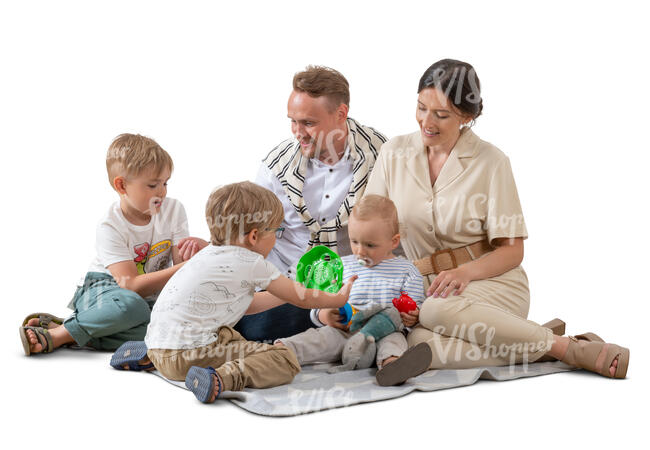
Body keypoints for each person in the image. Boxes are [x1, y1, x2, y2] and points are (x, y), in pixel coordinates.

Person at [365, 59, 629, 386]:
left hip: (495, 285)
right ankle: (537, 342)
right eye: (421, 108)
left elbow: (512, 251)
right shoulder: (394, 154)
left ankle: (568, 349)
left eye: (441, 115)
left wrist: (464, 273)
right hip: (424, 291)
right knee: (417, 341)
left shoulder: (491, 162)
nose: (426, 122)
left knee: (434, 311)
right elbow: (369, 225)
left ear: (468, 116)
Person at [132, 181, 356, 403]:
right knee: (282, 358)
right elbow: (305, 297)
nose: (276, 239)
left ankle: (148, 358)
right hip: (188, 354)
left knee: (227, 335)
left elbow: (246, 305)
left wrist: (285, 292)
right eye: (276, 231)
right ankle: (221, 378)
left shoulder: (208, 253)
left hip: (158, 344)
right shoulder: (251, 262)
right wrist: (339, 297)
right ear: (254, 237)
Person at [233, 65, 388, 342]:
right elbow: (248, 235)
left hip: (349, 279)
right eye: (293, 121)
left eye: (308, 123)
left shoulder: (382, 157)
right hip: (286, 279)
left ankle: (327, 318)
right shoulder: (276, 166)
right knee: (249, 319)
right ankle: (318, 318)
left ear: (341, 114)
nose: (297, 132)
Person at [19, 133, 201, 355]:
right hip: (104, 289)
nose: (162, 191)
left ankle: (73, 329)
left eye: (165, 183)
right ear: (122, 185)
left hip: (146, 299)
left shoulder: (174, 210)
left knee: (168, 330)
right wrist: (184, 269)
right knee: (134, 306)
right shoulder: (110, 225)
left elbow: (179, 273)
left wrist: (191, 255)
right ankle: (59, 336)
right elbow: (131, 285)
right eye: (153, 185)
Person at [276, 195, 425, 371]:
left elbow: (416, 310)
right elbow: (321, 300)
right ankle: (279, 352)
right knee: (320, 338)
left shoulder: (407, 270)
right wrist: (324, 315)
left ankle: (391, 366)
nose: (360, 251)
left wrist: (413, 318)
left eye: (370, 245)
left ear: (393, 242)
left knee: (395, 342)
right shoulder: (342, 266)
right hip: (345, 330)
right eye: (354, 242)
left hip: (385, 331)